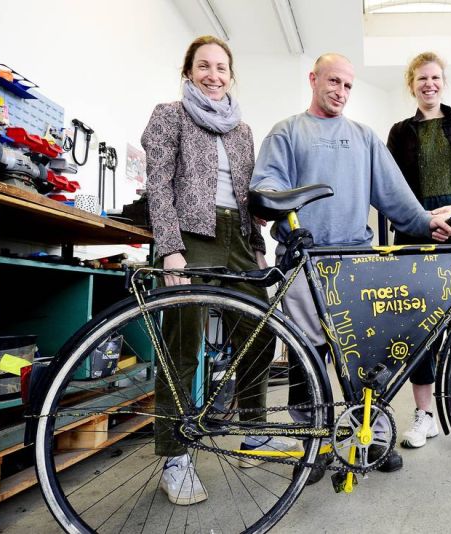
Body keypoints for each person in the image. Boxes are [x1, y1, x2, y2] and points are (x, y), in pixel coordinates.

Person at [250, 53, 451, 482]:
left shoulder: (363, 138)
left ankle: (373, 437)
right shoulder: (286, 132)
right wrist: (281, 214)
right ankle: (314, 443)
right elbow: (265, 185)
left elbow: (396, 196)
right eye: (333, 82)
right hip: (304, 262)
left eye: (347, 85)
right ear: (313, 79)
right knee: (309, 357)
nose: (340, 92)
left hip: (355, 263)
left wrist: (424, 222)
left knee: (365, 356)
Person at [141, 35, 292, 506]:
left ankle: (253, 432)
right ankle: (175, 456)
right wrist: (169, 249)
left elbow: (247, 197)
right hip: (191, 235)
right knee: (182, 343)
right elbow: (159, 184)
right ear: (188, 72)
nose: (213, 75)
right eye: (204, 66)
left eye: (221, 68)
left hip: (237, 239)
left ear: (231, 75)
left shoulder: (242, 129)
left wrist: (256, 246)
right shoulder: (170, 114)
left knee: (260, 331)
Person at [386, 52, 451, 456]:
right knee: (418, 325)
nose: (428, 84)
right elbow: (391, 184)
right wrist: (422, 218)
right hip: (416, 234)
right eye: (421, 78)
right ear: (411, 84)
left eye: (435, 78)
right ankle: (424, 416)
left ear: (442, 82)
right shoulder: (399, 132)